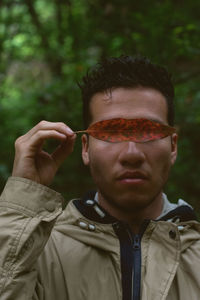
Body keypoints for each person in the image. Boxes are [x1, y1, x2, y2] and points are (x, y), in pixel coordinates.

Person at [0, 55, 199, 300]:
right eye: (111, 133)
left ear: (173, 147)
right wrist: (23, 201)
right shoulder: (35, 256)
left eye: (148, 131)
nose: (131, 154)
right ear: (85, 148)